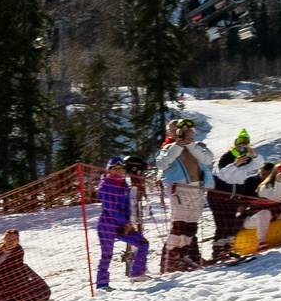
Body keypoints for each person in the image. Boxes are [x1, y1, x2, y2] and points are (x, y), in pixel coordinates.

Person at [156, 119, 213, 261]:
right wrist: (177, 147)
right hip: (180, 189)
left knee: (191, 224)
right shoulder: (168, 148)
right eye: (175, 130)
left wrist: (190, 145)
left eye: (184, 129)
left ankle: (187, 255)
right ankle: (171, 258)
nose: (180, 132)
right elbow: (162, 163)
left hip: (197, 187)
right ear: (169, 132)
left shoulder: (198, 146)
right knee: (179, 224)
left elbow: (207, 160)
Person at [209, 130, 262, 259]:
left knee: (232, 223)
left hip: (234, 197)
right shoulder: (226, 157)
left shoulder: (247, 159)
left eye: (246, 143)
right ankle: (217, 252)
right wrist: (235, 165)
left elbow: (258, 165)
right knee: (222, 224)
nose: (242, 146)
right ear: (235, 144)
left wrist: (254, 155)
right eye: (240, 143)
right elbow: (222, 174)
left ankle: (228, 249)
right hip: (219, 196)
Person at [94, 159, 146, 287]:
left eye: (120, 168)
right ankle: (102, 285)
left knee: (143, 244)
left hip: (123, 224)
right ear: (109, 170)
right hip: (107, 224)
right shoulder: (104, 186)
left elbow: (128, 205)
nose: (118, 171)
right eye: (115, 168)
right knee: (107, 255)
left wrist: (128, 222)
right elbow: (110, 208)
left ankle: (137, 274)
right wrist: (124, 223)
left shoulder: (124, 185)